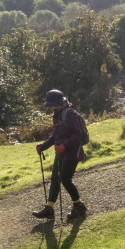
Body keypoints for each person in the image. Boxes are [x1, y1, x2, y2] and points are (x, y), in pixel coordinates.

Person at [32, 89, 87, 221]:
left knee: (65, 180)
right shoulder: (58, 114)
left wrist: (65, 146)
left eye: (50, 105)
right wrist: (43, 146)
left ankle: (79, 206)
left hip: (72, 152)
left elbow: (77, 134)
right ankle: (49, 209)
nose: (49, 107)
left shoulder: (69, 114)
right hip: (61, 152)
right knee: (55, 179)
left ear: (57, 103)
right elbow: (56, 135)